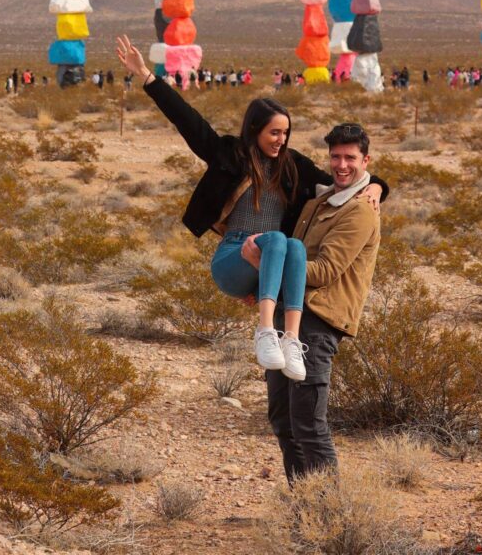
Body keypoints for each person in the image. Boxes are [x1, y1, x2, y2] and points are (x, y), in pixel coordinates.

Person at [115, 35, 387, 382]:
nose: (281, 140)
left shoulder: (294, 166)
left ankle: (290, 341)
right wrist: (147, 78)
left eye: (286, 133)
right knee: (277, 240)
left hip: (270, 261)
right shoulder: (230, 154)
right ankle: (264, 333)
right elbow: (188, 121)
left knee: (290, 245)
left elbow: (345, 178)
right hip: (234, 255)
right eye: (275, 133)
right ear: (256, 130)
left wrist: (379, 185)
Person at [241, 122, 381, 480]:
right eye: (335, 156)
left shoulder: (360, 210)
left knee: (308, 424)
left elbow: (323, 271)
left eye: (350, 157)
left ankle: (326, 518)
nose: (342, 165)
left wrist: (265, 263)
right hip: (288, 318)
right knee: (283, 421)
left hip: (319, 323)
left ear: (366, 161)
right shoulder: (318, 202)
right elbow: (292, 254)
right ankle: (304, 512)